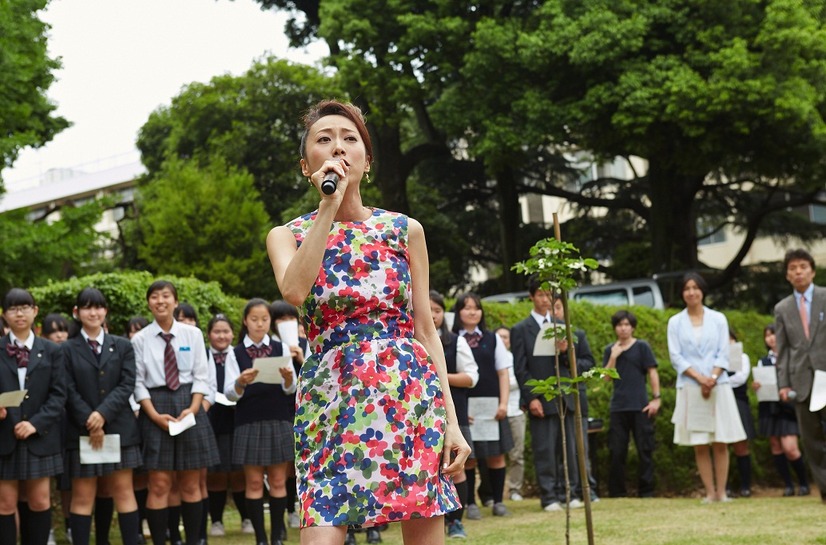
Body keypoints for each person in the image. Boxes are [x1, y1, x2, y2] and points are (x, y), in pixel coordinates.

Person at [266, 99, 468, 545]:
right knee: (321, 527)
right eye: (324, 140)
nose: (338, 147)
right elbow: (295, 291)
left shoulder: (404, 230)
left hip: (409, 395)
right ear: (307, 166)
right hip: (330, 400)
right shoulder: (287, 235)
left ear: (367, 161)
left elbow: (426, 330)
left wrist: (452, 424)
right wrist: (327, 207)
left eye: (349, 139)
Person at [131, 280, 219, 545]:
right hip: (154, 406)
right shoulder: (140, 339)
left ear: (176, 301)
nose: (161, 301)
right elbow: (138, 383)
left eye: (166, 296)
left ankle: (192, 540)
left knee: (191, 483)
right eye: (155, 297)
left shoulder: (192, 335)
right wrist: (154, 415)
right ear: (149, 303)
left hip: (189, 403)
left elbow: (201, 376)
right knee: (159, 483)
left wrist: (192, 409)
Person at [63, 287, 142, 545]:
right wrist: (91, 419)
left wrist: (103, 414)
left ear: (105, 311)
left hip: (120, 427)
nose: (93, 312)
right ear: (77, 312)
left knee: (123, 491)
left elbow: (127, 383)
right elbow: (67, 388)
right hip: (81, 429)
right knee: (83, 496)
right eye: (87, 307)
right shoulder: (65, 349)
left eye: (98, 307)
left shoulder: (123, 346)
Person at [512, 278, 594, 512]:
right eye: (540, 295)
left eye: (549, 295)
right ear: (531, 297)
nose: (545, 299)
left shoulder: (564, 327)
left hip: (566, 397)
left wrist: (567, 350)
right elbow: (521, 368)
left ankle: (570, 492)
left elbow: (578, 364)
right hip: (541, 399)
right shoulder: (520, 329)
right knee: (545, 449)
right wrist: (532, 397)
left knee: (569, 448)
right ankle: (549, 496)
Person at [224, 298, 298, 545]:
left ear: (271, 321)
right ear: (245, 321)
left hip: (278, 418)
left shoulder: (282, 348)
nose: (259, 324)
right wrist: (240, 382)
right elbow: (229, 393)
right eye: (254, 319)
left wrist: (288, 378)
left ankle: (277, 537)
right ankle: (260, 539)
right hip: (249, 420)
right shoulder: (235, 353)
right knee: (254, 482)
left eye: (264, 319)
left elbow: (292, 389)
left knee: (278, 480)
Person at [668, 272, 746, 503]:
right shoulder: (675, 322)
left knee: (720, 440)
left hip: (718, 385)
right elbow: (676, 356)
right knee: (699, 442)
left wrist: (712, 377)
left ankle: (722, 492)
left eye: (695, 287)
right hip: (690, 386)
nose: (691, 292)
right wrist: (700, 378)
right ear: (682, 293)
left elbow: (724, 353)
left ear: (703, 291)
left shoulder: (718, 319)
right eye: (686, 288)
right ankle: (709, 492)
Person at [0, 288, 67, 545]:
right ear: (5, 315)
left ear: (35, 311)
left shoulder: (52, 350)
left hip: (40, 436)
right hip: (4, 435)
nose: (19, 313)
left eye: (25, 307)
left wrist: (35, 423)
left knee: (39, 501)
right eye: (13, 309)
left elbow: (59, 395)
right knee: (5, 503)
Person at [452, 293, 513, 519]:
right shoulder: (451, 339)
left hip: (492, 405)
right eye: (467, 308)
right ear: (458, 312)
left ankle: (498, 501)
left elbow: (503, 372)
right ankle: (470, 504)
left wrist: (504, 403)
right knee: (468, 457)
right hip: (463, 406)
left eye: (476, 308)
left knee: (496, 455)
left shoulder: (493, 338)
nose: (472, 312)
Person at [775, 248, 826, 502]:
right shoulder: (782, 308)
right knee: (812, 440)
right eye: (793, 268)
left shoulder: (825, 297)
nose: (798, 272)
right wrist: (783, 384)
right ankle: (825, 489)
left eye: (803, 266)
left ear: (812, 270)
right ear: (787, 275)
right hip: (801, 381)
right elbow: (781, 350)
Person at [431, 290, 478, 539]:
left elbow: (472, 377)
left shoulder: (455, 341)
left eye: (437, 310)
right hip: (421, 415)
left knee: (456, 467)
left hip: (452, 414)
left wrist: (439, 375)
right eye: (427, 309)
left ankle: (456, 522)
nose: (432, 315)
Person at [601, 310, 660, 498]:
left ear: (632, 327)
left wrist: (656, 399)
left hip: (640, 405)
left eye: (627, 324)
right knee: (617, 451)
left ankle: (647, 491)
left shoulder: (642, 347)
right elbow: (606, 378)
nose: (623, 328)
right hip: (618, 407)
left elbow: (652, 372)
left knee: (645, 450)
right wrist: (613, 356)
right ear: (615, 328)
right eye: (619, 325)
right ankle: (617, 492)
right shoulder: (610, 349)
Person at [204, 314, 250, 538]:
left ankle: (246, 517)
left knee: (239, 472)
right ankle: (217, 521)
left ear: (232, 333)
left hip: (237, 418)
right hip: (211, 419)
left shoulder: (239, 354)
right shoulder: (203, 355)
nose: (221, 336)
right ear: (209, 334)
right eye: (216, 331)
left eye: (225, 331)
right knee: (216, 473)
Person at [753, 323, 809, 496]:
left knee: (790, 448)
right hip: (769, 406)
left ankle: (804, 483)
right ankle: (788, 485)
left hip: (787, 407)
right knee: (776, 446)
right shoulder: (763, 361)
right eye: (767, 335)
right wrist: (757, 386)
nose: (770, 338)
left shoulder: (792, 357)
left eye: (773, 334)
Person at [268, 300, 307, 536]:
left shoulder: (307, 343)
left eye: (290, 318)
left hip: (305, 410)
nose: (286, 323)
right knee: (281, 466)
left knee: (298, 466)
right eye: (280, 319)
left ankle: (296, 510)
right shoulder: (270, 346)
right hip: (280, 411)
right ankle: (280, 520)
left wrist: (301, 358)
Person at [495, 326, 526, 503]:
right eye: (499, 337)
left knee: (517, 454)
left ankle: (515, 489)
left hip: (515, 411)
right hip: (494, 412)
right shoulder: (492, 358)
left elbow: (519, 380)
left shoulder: (515, 358)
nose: (503, 340)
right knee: (493, 455)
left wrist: (503, 379)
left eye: (505, 337)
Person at [726, 329, 755, 498]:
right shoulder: (716, 359)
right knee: (723, 445)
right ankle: (725, 486)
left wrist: (720, 381)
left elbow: (740, 378)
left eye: (730, 339)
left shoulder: (743, 358)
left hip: (739, 402)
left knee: (741, 446)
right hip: (722, 402)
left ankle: (746, 486)